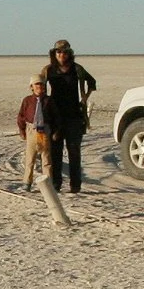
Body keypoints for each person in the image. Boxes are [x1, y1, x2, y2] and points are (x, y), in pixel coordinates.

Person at [38, 40, 97, 192]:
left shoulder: (77, 69)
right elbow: (39, 85)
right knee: (55, 152)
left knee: (74, 151)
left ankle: (75, 185)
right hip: (55, 117)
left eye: (64, 52)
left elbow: (92, 82)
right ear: (54, 53)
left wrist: (85, 97)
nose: (61, 55)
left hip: (74, 116)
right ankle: (56, 184)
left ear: (69, 53)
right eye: (58, 52)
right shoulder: (48, 70)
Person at [15, 77, 52, 187]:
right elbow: (21, 116)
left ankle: (48, 183)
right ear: (32, 87)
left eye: (41, 84)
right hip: (31, 130)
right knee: (30, 159)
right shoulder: (27, 100)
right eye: (36, 84)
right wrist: (22, 130)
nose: (39, 87)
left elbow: (56, 117)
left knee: (46, 160)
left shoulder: (49, 100)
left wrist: (55, 131)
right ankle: (27, 182)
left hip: (45, 130)